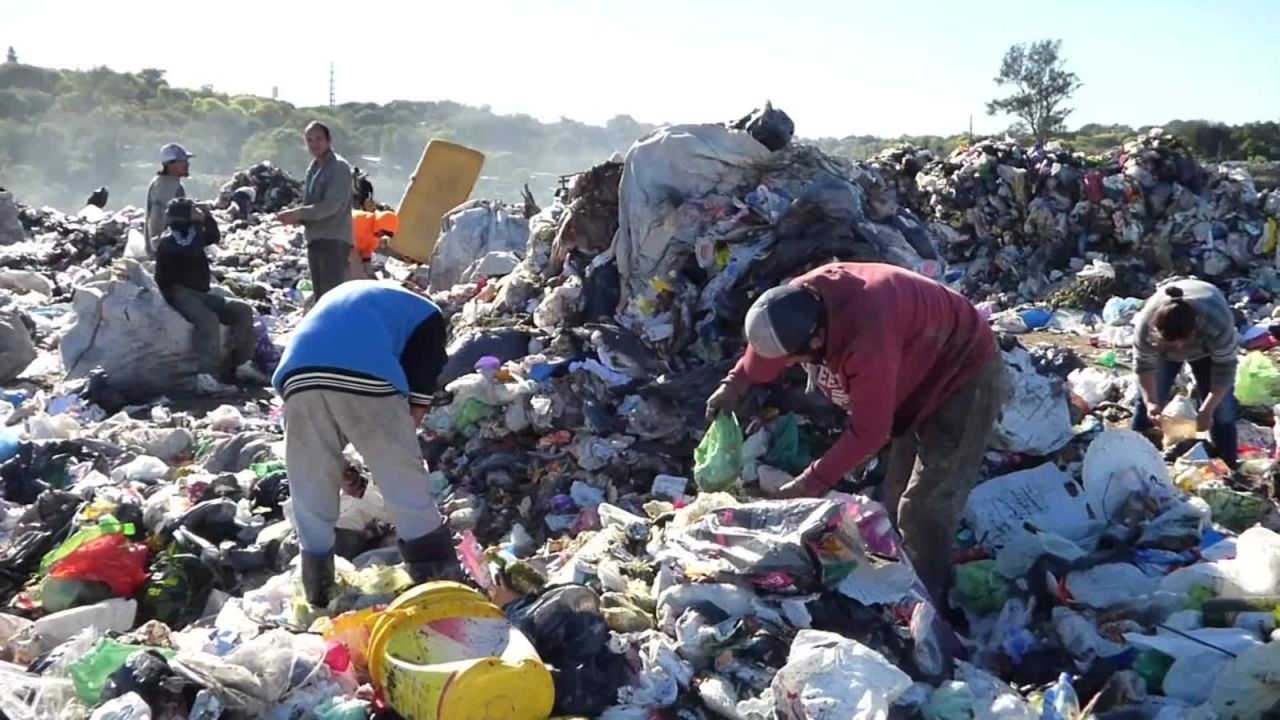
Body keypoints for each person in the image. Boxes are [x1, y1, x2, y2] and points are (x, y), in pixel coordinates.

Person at [705, 262, 1007, 608]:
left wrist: (809, 482)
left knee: (924, 508)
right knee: (892, 497)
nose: (788, 366)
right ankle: (896, 578)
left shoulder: (866, 336)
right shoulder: (793, 303)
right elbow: (767, 347)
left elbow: (870, 431)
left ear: (817, 339)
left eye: (794, 359)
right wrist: (736, 383)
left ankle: (927, 603)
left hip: (962, 373)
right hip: (914, 369)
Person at [271, 280, 457, 606]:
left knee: (310, 483)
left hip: (296, 378)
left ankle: (318, 593)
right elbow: (415, 403)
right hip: (366, 375)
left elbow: (324, 423)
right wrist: (388, 451)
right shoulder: (429, 315)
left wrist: (343, 467)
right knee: (404, 480)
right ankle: (437, 581)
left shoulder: (359, 303)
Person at [1131, 278, 1239, 466]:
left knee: (1222, 410)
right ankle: (1137, 458)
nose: (1179, 348)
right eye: (1173, 344)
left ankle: (1227, 463)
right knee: (1147, 408)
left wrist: (1207, 409)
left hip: (1207, 350)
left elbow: (1225, 369)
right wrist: (1151, 402)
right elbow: (1144, 366)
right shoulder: (1147, 326)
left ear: (1194, 329)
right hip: (1163, 353)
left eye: (1183, 342)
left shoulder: (1216, 321)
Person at [153, 198, 258, 387]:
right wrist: (197, 220)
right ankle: (206, 377)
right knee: (208, 321)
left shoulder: (193, 235)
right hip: (178, 292)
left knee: (242, 310)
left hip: (201, 293)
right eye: (191, 211)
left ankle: (239, 365)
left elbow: (213, 237)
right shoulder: (168, 241)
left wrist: (207, 217)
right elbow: (191, 251)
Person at [276, 122, 354, 300]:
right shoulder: (313, 169)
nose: (314, 144)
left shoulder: (339, 167)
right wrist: (292, 216)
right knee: (320, 297)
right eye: (309, 140)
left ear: (329, 140)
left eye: (319, 139)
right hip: (315, 239)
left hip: (333, 240)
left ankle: (334, 329)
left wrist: (298, 213)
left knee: (331, 299)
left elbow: (331, 205)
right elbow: (310, 203)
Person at [145, 143, 195, 257]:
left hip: (161, 249)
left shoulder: (157, 183)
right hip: (167, 251)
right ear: (170, 164)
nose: (187, 164)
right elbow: (159, 220)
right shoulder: (172, 187)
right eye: (183, 161)